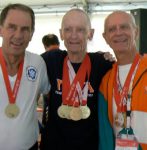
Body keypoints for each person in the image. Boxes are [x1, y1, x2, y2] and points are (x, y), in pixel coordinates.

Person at [40, 8, 113, 150]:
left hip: (89, 145)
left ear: (90, 33)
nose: (73, 36)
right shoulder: (50, 60)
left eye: (80, 30)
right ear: (61, 33)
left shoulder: (103, 64)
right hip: (53, 145)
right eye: (68, 30)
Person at [0, 3, 50, 150]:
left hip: (30, 147)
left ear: (31, 34)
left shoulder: (38, 63)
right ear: (1, 29)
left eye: (25, 29)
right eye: (12, 27)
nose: (18, 35)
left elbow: (48, 93)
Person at [99, 10, 147, 150]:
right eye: (112, 29)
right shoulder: (106, 81)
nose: (118, 32)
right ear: (105, 37)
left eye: (124, 27)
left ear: (136, 31)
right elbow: (105, 132)